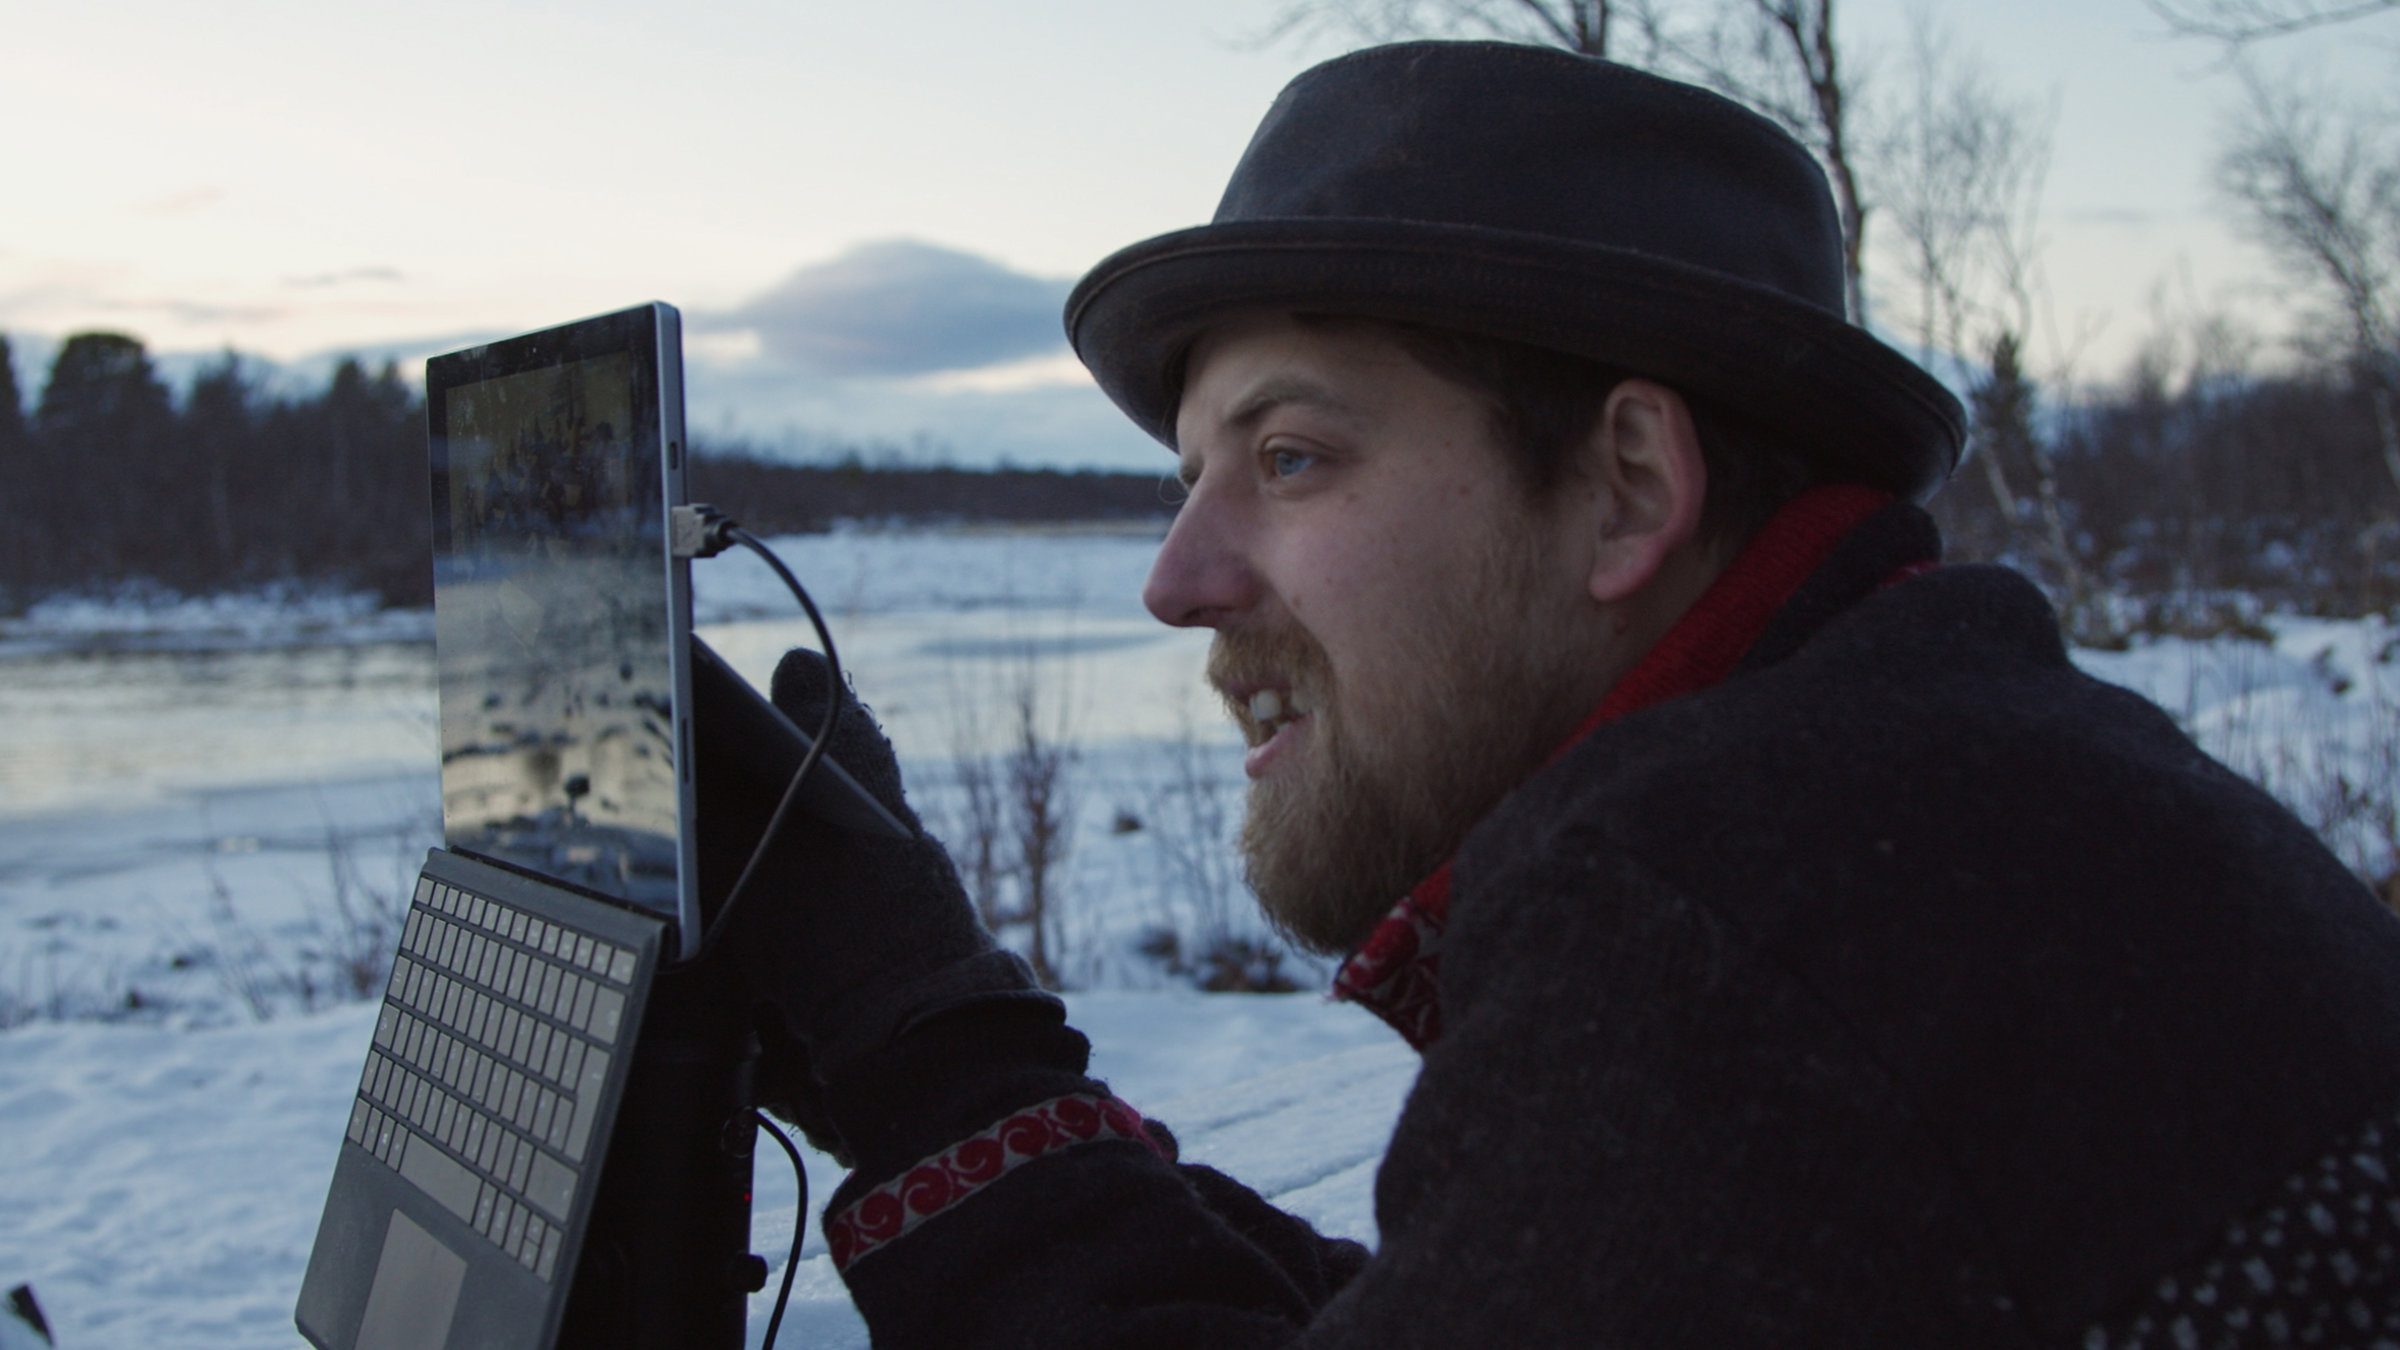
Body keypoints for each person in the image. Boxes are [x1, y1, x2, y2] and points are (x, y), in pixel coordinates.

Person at [727, 41, 2400, 1348]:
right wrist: (965, 1072)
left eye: (1291, 456)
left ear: (1623, 486)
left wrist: (922, 1040)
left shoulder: (1731, 915)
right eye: (1188, 479)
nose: (1176, 580)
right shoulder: (1972, 797)